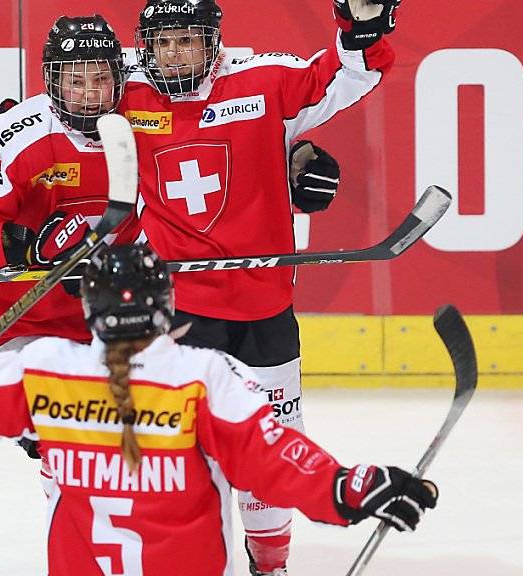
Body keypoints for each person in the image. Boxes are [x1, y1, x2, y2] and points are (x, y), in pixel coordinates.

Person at [0, 244, 438, 576]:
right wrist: (349, 487)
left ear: (88, 309)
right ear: (168, 306)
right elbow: (274, 460)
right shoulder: (200, 375)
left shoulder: (43, 368)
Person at [119, 0, 397, 572]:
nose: (173, 53)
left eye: (187, 40)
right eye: (162, 41)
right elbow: (62, 107)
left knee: (269, 449)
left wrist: (363, 26)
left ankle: (269, 563)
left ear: (213, 43)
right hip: (177, 316)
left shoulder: (262, 81)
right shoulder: (129, 91)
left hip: (263, 312)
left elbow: (345, 75)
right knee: (182, 457)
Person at [0, 15, 141, 358]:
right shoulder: (15, 134)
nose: (91, 94)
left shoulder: (144, 119)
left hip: (117, 316)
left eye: (101, 78)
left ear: (118, 77)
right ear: (52, 81)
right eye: (75, 82)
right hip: (22, 322)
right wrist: (28, 246)